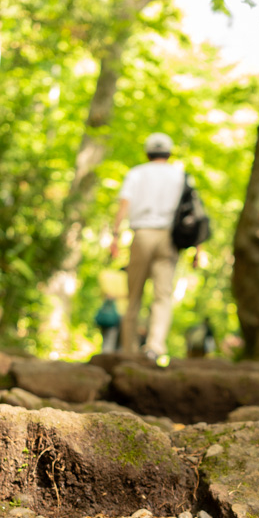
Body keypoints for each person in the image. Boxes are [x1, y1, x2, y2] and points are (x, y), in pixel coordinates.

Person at [110, 132, 196, 362]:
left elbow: (124, 203)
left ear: (147, 152)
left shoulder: (136, 174)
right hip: (169, 238)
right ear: (168, 152)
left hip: (142, 235)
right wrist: (198, 248)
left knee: (134, 294)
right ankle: (155, 347)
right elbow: (193, 212)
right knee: (162, 295)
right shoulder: (180, 175)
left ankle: (129, 349)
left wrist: (115, 235)